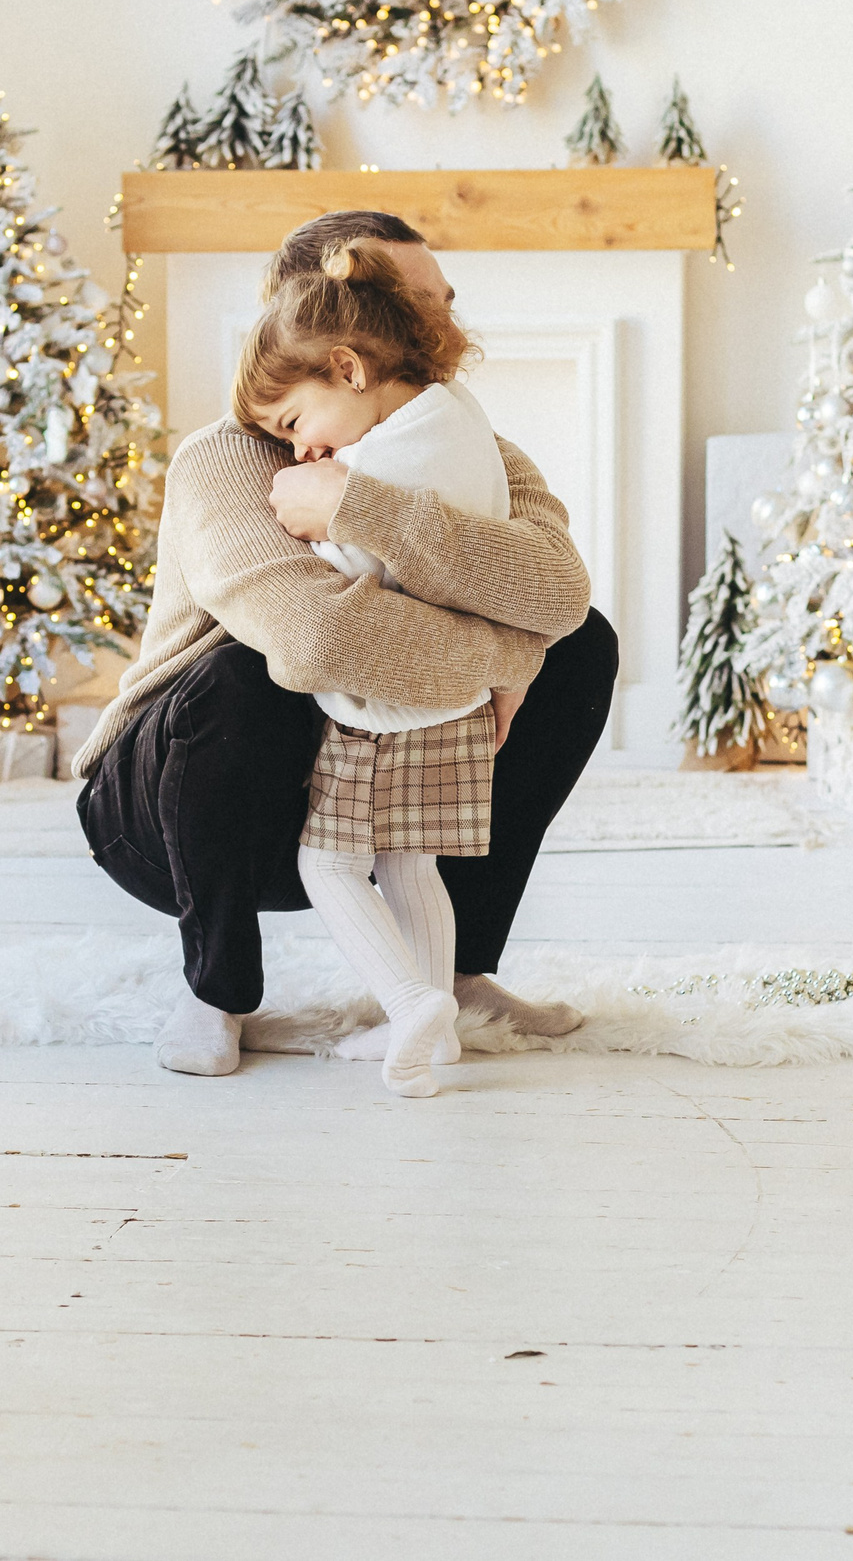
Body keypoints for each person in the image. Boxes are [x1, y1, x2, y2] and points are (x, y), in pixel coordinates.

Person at [69, 211, 616, 1078]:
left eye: (444, 299)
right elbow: (317, 638)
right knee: (244, 675)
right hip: (171, 807)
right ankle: (217, 990)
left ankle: (454, 974)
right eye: (419, 301)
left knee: (582, 648)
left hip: (370, 785)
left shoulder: (470, 443)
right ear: (341, 336)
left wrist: (360, 508)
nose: (444, 322)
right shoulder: (228, 457)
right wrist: (508, 653)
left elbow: (558, 594)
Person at [228, 236, 536, 1097]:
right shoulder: (454, 410)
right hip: (461, 705)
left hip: (387, 707)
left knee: (327, 864)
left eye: (295, 424)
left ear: (348, 368)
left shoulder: (378, 466)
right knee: (410, 863)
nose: (302, 453)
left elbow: (349, 580)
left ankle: (409, 1002)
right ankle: (438, 1030)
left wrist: (317, 521)